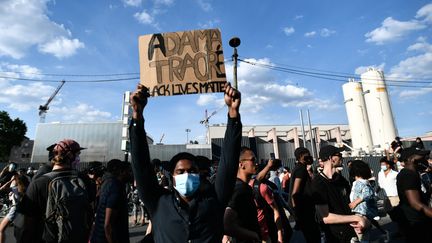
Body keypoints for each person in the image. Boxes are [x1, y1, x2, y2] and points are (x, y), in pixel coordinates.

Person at [129, 83, 242, 242]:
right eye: (180, 172)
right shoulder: (158, 203)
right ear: (172, 176)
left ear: (200, 174)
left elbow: (229, 163)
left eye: (192, 171)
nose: (187, 175)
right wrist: (137, 116)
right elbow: (140, 165)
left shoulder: (214, 200)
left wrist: (233, 114)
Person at [17, 139, 93, 243]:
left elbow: (28, 224)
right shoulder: (84, 179)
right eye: (78, 154)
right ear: (70, 155)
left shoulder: (39, 183)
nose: (78, 157)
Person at [311, 145, 369, 243]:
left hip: (352, 233)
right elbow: (326, 217)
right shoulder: (318, 183)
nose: (342, 156)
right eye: (339, 154)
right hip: (335, 236)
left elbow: (352, 204)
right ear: (331, 158)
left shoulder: (341, 180)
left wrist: (364, 219)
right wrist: (356, 218)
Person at [224, 147, 261, 243]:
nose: (256, 163)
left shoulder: (239, 186)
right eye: (253, 160)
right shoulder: (240, 189)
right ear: (241, 164)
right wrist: (253, 235)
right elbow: (227, 224)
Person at [395, 147, 432, 242]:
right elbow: (415, 203)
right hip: (416, 224)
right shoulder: (408, 175)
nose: (425, 159)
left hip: (416, 222)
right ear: (411, 159)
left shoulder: (411, 174)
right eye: (422, 157)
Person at [91, 159, 132, 243]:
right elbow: (108, 224)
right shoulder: (115, 186)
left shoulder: (107, 183)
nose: (130, 174)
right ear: (121, 171)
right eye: (129, 171)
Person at [288, 147, 321, 243]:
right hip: (303, 211)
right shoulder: (301, 170)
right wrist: (297, 213)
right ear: (300, 157)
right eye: (306, 156)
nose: (309, 158)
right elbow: (295, 193)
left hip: (303, 210)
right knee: (311, 236)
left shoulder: (299, 168)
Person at [348, 160, 378, 242]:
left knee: (362, 236)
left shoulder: (360, 182)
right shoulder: (363, 182)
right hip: (362, 212)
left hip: (361, 212)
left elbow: (368, 193)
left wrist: (355, 202)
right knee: (363, 235)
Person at [0, 174, 29, 243]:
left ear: (16, 181)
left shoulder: (15, 189)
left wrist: (10, 180)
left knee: (1, 229)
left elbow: (1, 189)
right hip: (21, 210)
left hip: (14, 209)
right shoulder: (27, 188)